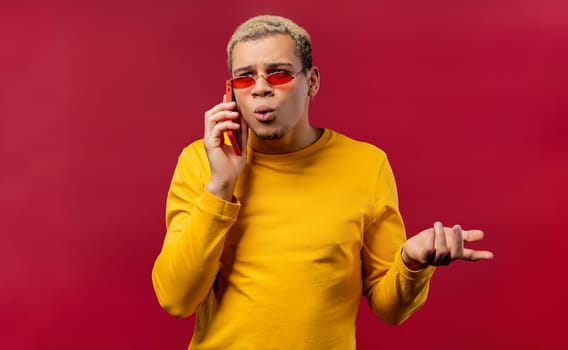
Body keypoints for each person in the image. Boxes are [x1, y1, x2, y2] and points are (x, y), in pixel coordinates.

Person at [151, 15, 494, 349]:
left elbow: (391, 310)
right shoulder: (199, 162)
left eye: (279, 73)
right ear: (231, 92)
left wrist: (412, 262)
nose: (260, 89)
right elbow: (176, 299)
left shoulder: (366, 164)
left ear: (312, 81)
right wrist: (221, 187)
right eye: (245, 78)